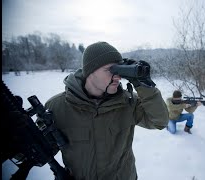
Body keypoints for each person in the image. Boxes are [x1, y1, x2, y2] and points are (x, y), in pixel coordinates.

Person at [41, 41, 169, 180]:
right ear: (90, 71)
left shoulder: (128, 102)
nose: (118, 77)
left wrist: (144, 86)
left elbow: (160, 122)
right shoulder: (57, 106)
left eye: (119, 70)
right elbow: (41, 151)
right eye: (111, 70)